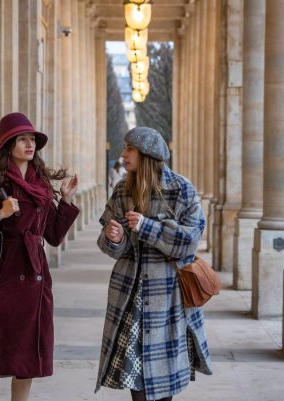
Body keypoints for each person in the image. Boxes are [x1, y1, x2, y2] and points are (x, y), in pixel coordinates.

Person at [0, 112, 79, 401]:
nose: (29, 144)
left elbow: (53, 236)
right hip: (3, 277)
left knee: (26, 363)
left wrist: (67, 201)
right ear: (8, 144)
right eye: (22, 138)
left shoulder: (42, 185)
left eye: (32, 138)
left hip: (35, 280)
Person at [95, 127, 212, 401]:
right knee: (136, 376)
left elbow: (190, 241)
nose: (123, 154)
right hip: (130, 296)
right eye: (124, 147)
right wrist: (114, 238)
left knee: (163, 378)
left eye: (129, 149)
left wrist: (148, 227)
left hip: (168, 297)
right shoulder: (122, 189)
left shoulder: (181, 189)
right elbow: (108, 243)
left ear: (146, 154)